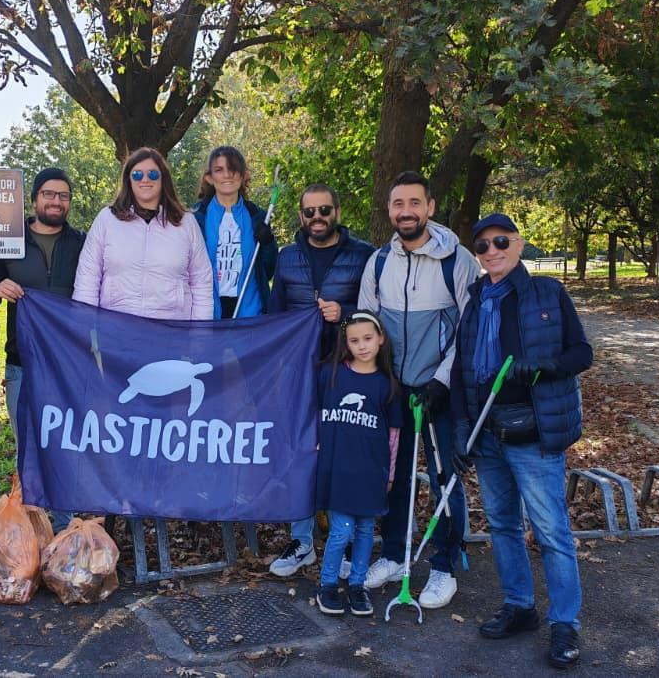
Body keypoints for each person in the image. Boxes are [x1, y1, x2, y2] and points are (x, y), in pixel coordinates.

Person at [450, 213, 592, 668]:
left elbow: (581, 353)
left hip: (533, 434)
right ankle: (519, 606)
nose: (491, 251)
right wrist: (461, 427)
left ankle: (564, 622)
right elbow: (462, 369)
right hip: (488, 433)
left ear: (518, 242)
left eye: (500, 242)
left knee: (551, 531)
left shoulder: (547, 293)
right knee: (503, 526)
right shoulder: (475, 300)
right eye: (482, 246)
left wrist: (543, 368)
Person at [356, 171, 480, 609]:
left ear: (429, 207)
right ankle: (393, 555)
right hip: (397, 391)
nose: (405, 211)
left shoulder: (458, 261)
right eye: (398, 204)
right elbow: (367, 323)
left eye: (414, 203)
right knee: (395, 476)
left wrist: (441, 381)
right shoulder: (379, 262)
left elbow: (469, 330)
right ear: (389, 209)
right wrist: (380, 378)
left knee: (446, 479)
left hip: (440, 392)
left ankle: (444, 565)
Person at [267, 183, 376, 578]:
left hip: (347, 369)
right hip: (298, 372)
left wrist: (343, 313)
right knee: (300, 454)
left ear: (337, 212)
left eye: (324, 210)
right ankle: (302, 541)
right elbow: (275, 314)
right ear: (301, 216)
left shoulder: (363, 255)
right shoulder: (287, 257)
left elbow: (374, 311)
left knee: (344, 454)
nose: (317, 218)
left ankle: (341, 542)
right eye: (310, 211)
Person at [0, 168, 86, 532]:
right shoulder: (10, 240)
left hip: (68, 364)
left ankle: (63, 529)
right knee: (28, 447)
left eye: (63, 196)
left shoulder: (81, 243)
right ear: (34, 199)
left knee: (65, 445)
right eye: (49, 194)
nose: (56, 201)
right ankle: (30, 532)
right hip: (21, 362)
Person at [74, 147, 213, 320]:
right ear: (128, 180)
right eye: (137, 175)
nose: (145, 179)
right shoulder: (107, 219)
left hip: (172, 328)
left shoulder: (186, 223)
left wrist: (200, 332)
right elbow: (87, 278)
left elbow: (202, 282)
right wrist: (83, 326)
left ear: (163, 178)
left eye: (153, 174)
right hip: (116, 327)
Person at [190, 146, 277, 319]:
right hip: (209, 313)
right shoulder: (195, 218)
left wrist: (268, 243)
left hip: (249, 314)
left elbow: (267, 270)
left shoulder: (258, 217)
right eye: (219, 170)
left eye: (233, 169)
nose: (227, 175)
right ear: (209, 177)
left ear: (243, 175)